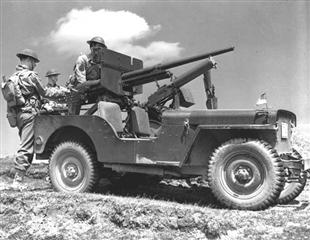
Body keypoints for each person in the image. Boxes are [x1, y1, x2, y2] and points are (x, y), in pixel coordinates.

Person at [9, 49, 67, 184]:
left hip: (19, 115)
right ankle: (17, 180)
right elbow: (45, 92)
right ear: (29, 60)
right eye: (34, 62)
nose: (35, 65)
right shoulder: (30, 76)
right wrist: (64, 92)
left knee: (26, 143)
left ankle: (20, 177)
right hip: (29, 114)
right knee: (26, 147)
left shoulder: (15, 76)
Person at [67, 36, 107, 114]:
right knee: (73, 118)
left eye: (100, 50)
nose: (97, 52)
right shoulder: (82, 60)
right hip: (77, 91)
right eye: (96, 49)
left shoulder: (102, 63)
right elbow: (82, 84)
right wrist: (100, 81)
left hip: (93, 89)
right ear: (91, 48)